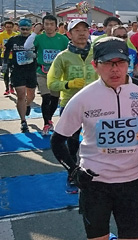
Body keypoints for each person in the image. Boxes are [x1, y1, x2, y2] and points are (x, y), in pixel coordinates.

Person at [51, 37, 138, 240]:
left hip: (132, 182)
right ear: (95, 65)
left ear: (129, 64)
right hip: (95, 183)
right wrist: (73, 171)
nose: (115, 70)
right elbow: (57, 140)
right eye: (108, 64)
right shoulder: (83, 98)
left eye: (120, 63)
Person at [48, 19, 99, 193]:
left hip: (96, 104)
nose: (82, 33)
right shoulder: (63, 57)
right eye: (77, 30)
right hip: (71, 104)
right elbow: (51, 83)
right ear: (69, 34)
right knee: (71, 143)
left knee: (97, 140)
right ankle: (72, 173)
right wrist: (68, 84)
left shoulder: (96, 53)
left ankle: (99, 173)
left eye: (85, 29)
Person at [24, 15, 69, 135]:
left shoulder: (63, 39)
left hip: (57, 74)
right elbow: (27, 47)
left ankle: (49, 120)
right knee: (46, 97)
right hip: (41, 72)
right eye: (46, 24)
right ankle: (46, 123)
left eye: (51, 24)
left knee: (54, 100)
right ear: (43, 25)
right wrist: (34, 32)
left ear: (56, 26)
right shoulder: (39, 38)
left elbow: (68, 54)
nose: (49, 27)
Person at [2, 19, 37, 132]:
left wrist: (35, 55)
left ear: (31, 28)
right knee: (21, 95)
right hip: (17, 70)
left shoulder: (35, 39)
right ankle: (23, 121)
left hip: (31, 70)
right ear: (19, 28)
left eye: (27, 29)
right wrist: (5, 64)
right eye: (23, 29)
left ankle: (27, 105)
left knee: (31, 95)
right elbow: (7, 51)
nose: (25, 31)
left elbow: (40, 52)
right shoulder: (14, 39)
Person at [0, 20, 18, 95]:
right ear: (4, 27)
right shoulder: (1, 35)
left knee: (14, 73)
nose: (9, 28)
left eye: (10, 27)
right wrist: (3, 46)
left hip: (14, 56)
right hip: (5, 56)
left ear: (13, 27)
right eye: (7, 27)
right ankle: (7, 88)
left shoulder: (16, 35)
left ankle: (12, 86)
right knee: (5, 73)